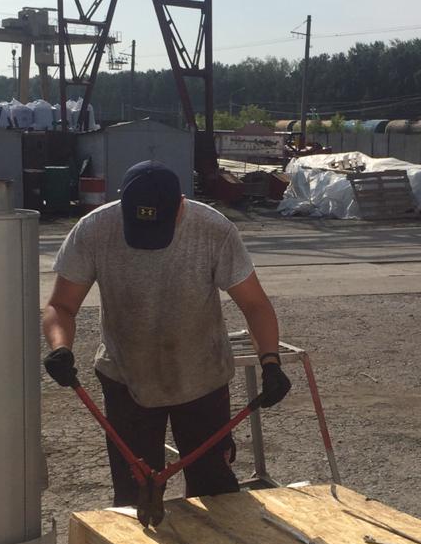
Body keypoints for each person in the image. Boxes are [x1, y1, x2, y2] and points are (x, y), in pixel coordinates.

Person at [42, 160, 291, 505]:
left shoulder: (213, 230)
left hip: (202, 378)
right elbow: (61, 306)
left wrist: (271, 361)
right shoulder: (94, 229)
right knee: (135, 497)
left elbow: (255, 305)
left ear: (181, 204)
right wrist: (60, 348)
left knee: (215, 491)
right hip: (127, 379)